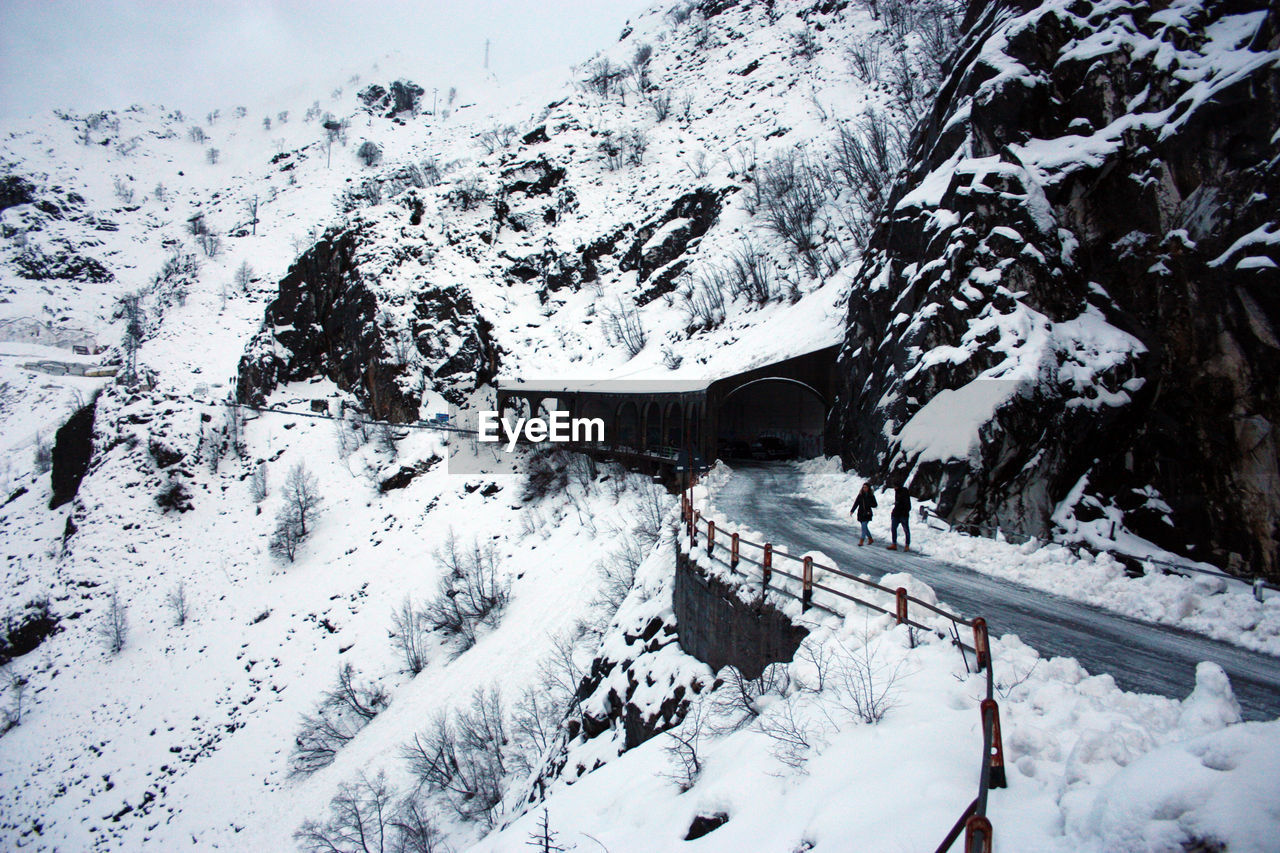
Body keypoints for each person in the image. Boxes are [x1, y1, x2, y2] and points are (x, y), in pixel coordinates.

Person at [888, 485, 911, 551]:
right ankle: (894, 544)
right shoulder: (897, 492)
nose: (894, 488)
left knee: (906, 530)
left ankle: (906, 545)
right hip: (897, 514)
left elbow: (907, 505)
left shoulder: (904, 492)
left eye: (895, 486)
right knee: (894, 528)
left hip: (903, 514)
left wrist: (903, 511)